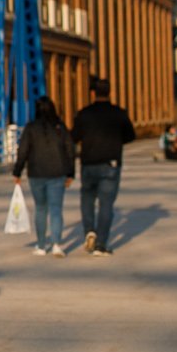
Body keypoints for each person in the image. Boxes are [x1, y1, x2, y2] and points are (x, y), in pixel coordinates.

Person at [70, 76, 137, 256]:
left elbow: (73, 137)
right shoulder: (119, 113)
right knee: (106, 204)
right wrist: (116, 140)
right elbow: (131, 136)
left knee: (87, 199)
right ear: (109, 92)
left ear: (93, 93)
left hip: (88, 162)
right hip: (110, 163)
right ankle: (100, 244)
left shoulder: (84, 113)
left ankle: (89, 230)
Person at [11, 95, 76, 256]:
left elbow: (23, 151)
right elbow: (70, 150)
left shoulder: (31, 128)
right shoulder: (60, 127)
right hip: (57, 172)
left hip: (36, 173)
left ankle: (41, 246)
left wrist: (17, 171)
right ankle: (56, 245)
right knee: (56, 209)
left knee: (40, 208)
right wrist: (70, 173)